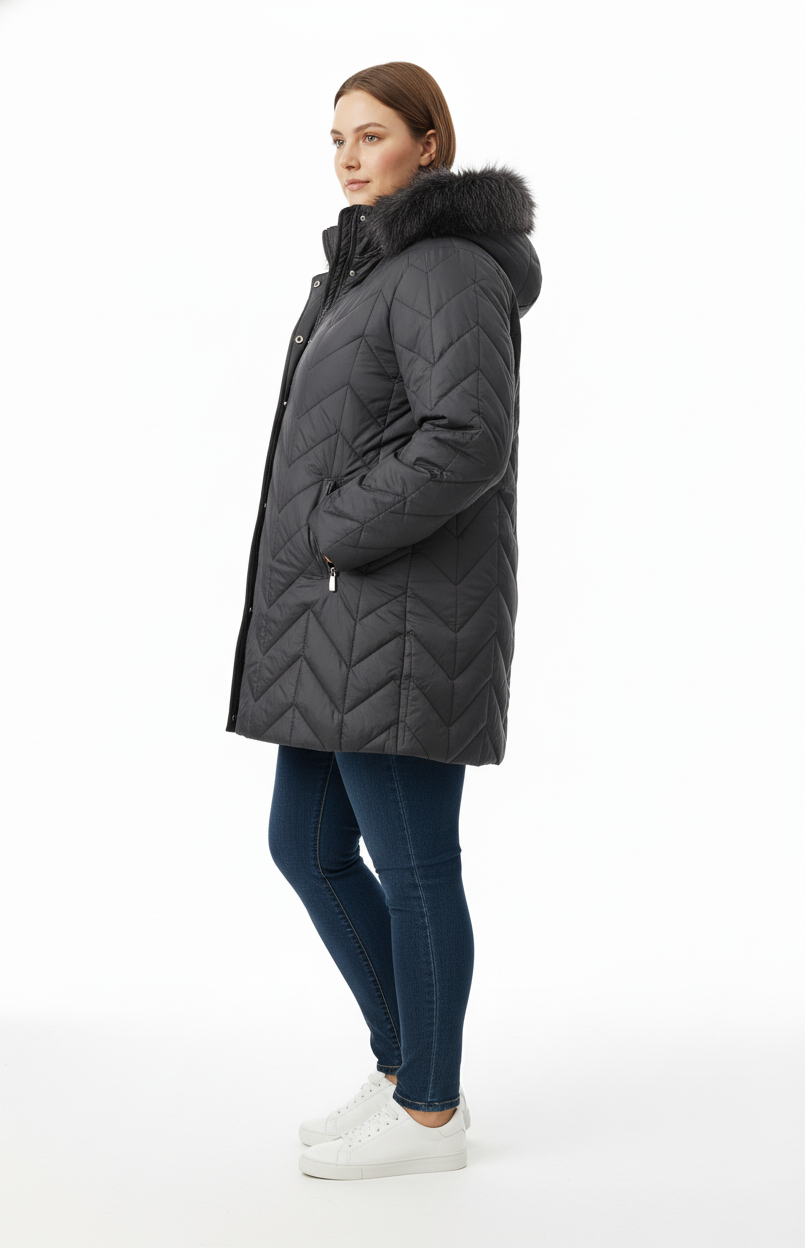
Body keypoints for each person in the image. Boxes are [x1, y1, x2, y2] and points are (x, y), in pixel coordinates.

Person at [225, 61, 542, 1180]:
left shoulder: (445, 264)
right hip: (343, 615)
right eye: (336, 139)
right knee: (305, 846)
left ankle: (430, 1113)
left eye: (371, 135)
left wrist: (332, 532)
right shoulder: (366, 270)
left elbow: (468, 436)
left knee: (412, 864)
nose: (350, 157)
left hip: (404, 615)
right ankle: (406, 1061)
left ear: (428, 143)